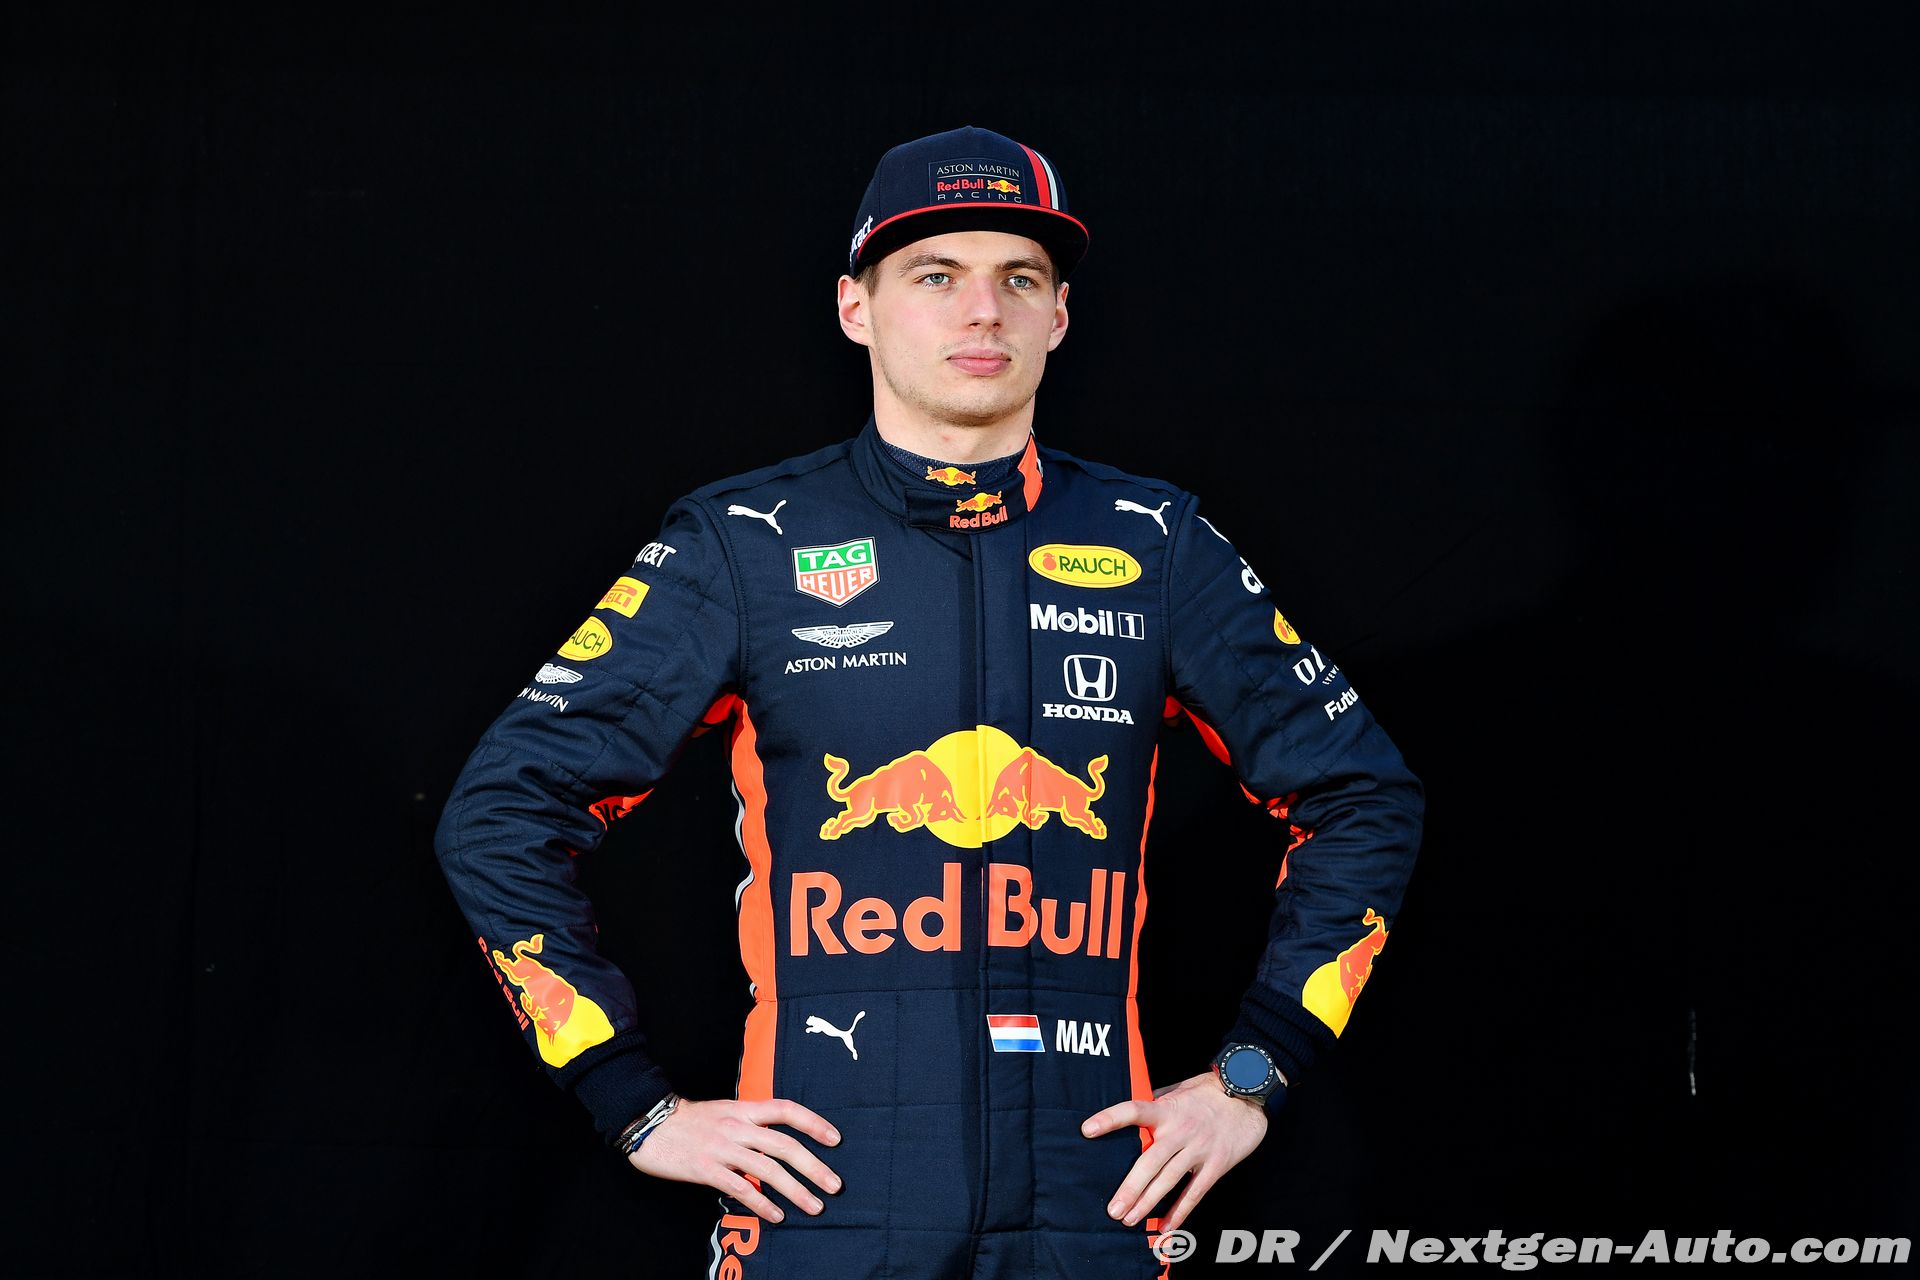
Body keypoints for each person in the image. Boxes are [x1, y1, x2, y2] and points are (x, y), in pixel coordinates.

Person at [434, 125, 1423, 1278]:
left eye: (1021, 279)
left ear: (1060, 316)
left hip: (1092, 1210)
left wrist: (1254, 1072)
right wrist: (632, 1101)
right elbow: (503, 811)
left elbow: (1362, 794)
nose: (983, 311)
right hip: (825, 1210)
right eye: (936, 275)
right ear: (856, 307)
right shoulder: (744, 543)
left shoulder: (1157, 543)